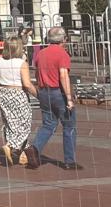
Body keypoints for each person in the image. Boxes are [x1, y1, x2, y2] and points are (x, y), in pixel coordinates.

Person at [31, 25, 79, 170]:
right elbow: (63, 75)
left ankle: (34, 149)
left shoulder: (41, 54)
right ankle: (69, 161)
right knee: (69, 126)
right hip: (59, 93)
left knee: (48, 124)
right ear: (64, 39)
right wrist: (69, 98)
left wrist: (40, 89)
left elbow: (36, 73)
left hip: (44, 92)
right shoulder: (62, 54)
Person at [0, 37, 38, 166]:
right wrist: (38, 95)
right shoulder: (21, 63)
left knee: (10, 124)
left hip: (3, 93)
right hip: (18, 93)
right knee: (24, 123)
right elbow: (27, 84)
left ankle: (22, 155)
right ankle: (10, 145)